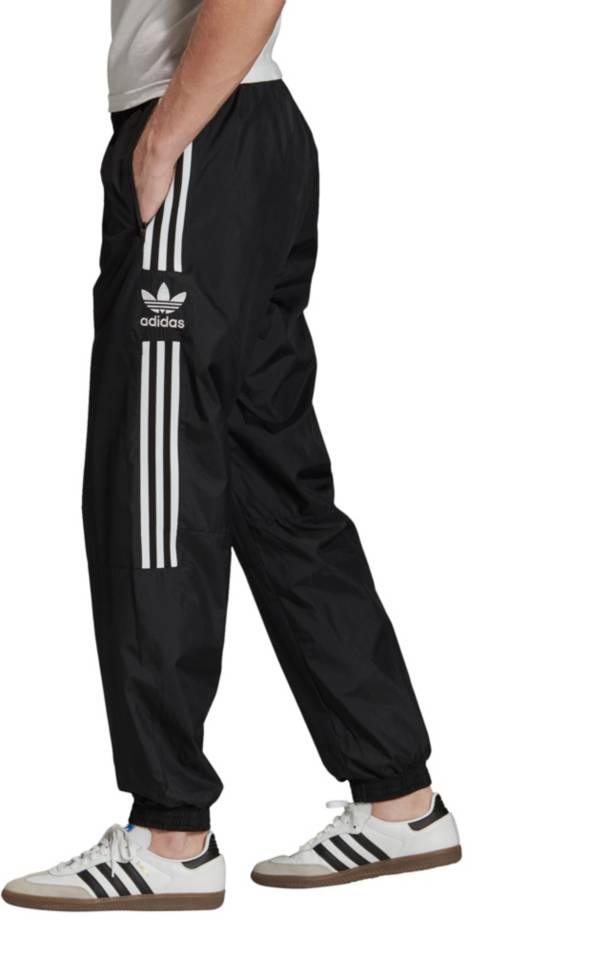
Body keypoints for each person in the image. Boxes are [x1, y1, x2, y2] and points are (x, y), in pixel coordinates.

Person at [2, 0, 460, 912]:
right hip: (242, 136)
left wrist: (164, 139)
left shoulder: (181, 134)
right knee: (271, 483)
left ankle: (170, 833)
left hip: (200, 131)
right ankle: (398, 798)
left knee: (152, 483)